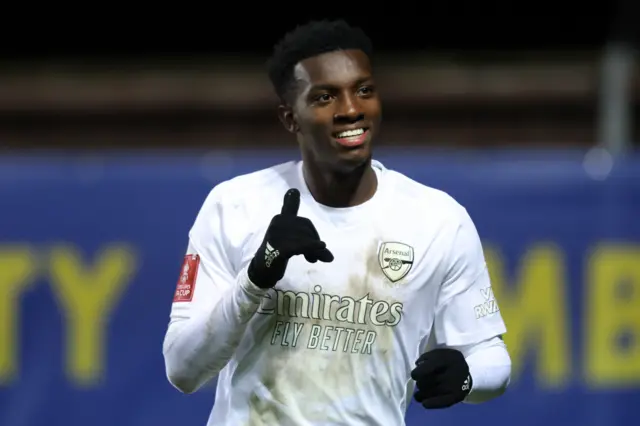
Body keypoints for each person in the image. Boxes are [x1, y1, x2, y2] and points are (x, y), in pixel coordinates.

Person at [162, 19, 511, 426]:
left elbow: (492, 357)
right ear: (290, 117)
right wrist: (256, 277)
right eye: (325, 96)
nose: (350, 110)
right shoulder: (235, 206)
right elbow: (181, 369)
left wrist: (468, 377)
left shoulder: (437, 221)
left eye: (364, 90)